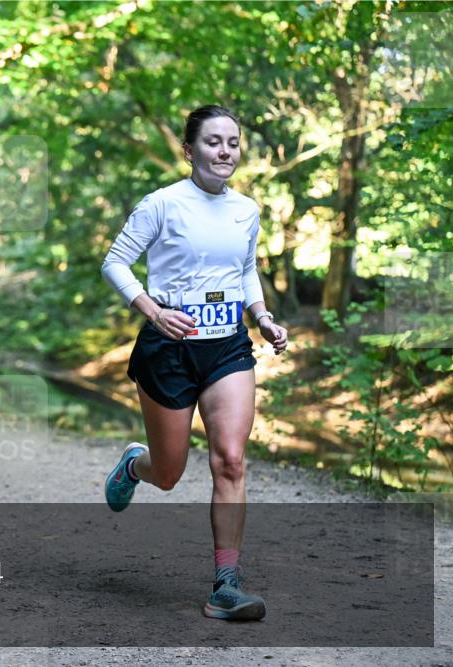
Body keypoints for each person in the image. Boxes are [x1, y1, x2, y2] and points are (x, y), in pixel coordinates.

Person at [101, 105, 289, 621]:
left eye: (232, 141)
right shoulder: (162, 205)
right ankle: (135, 465)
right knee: (169, 473)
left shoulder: (246, 210)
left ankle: (226, 583)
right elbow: (115, 262)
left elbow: (246, 268)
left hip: (228, 344)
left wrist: (262, 316)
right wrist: (152, 310)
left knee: (230, 459)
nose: (224, 150)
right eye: (213, 141)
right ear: (189, 150)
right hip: (169, 348)